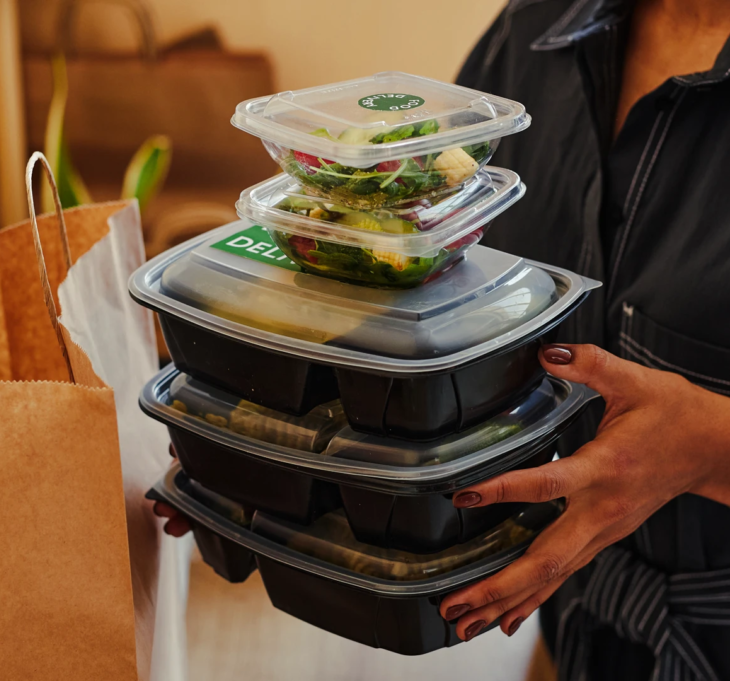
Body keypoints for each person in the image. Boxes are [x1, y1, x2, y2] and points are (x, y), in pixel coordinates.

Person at [155, 0, 730, 678]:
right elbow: (436, 270)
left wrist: (709, 447)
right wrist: (258, 438)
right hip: (566, 619)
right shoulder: (540, 26)